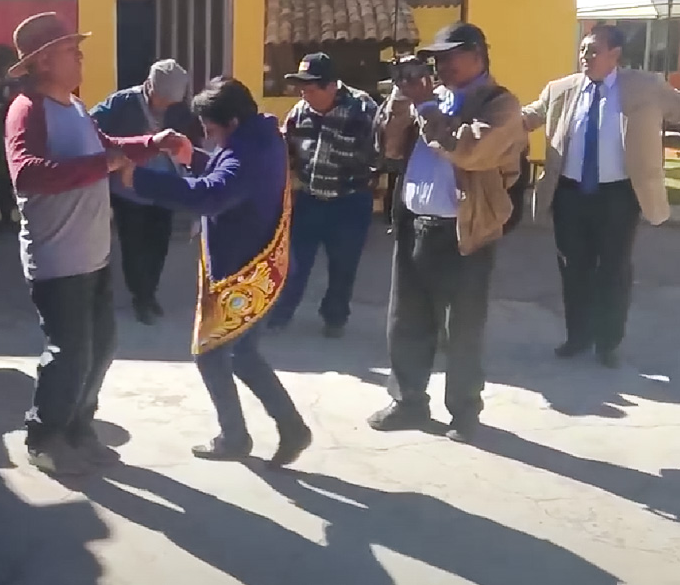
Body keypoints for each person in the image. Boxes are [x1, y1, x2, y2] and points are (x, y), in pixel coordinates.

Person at [4, 12, 190, 475]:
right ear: (44, 61)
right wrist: (103, 165)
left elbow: (108, 147)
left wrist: (156, 141)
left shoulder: (77, 108)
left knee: (101, 346)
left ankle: (78, 426)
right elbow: (26, 173)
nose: (81, 55)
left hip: (93, 252)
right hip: (57, 257)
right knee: (68, 352)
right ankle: (44, 435)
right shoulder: (28, 109)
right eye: (72, 49)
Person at [117, 77, 312, 464]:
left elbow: (212, 194)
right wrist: (192, 157)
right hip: (252, 263)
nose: (208, 136)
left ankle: (240, 436)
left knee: (212, 352)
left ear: (233, 121)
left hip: (244, 271)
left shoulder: (248, 152)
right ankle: (285, 428)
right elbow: (225, 175)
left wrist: (137, 178)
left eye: (210, 129)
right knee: (241, 354)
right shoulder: (259, 138)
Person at [367, 22, 525, 443]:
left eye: (451, 55)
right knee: (407, 320)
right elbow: (389, 146)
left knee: (463, 328)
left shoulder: (500, 103)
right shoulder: (428, 98)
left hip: (466, 230)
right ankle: (409, 401)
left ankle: (465, 412)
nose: (442, 64)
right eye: (437, 57)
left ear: (477, 55)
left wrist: (427, 107)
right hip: (416, 222)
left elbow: (470, 150)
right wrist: (403, 98)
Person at [523, 24, 680, 368]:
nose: (585, 56)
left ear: (615, 55)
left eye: (593, 50)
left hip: (618, 196)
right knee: (573, 268)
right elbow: (527, 117)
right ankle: (577, 337)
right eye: (582, 49)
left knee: (613, 269)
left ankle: (608, 342)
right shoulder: (561, 90)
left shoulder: (645, 86)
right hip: (570, 195)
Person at [267, 53, 379, 337]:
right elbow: (286, 152)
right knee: (294, 263)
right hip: (309, 199)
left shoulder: (363, 108)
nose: (305, 95)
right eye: (301, 89)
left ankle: (335, 319)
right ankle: (279, 316)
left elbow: (380, 154)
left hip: (350, 202)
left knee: (343, 266)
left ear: (331, 86)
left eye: (311, 88)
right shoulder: (299, 112)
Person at [91, 59, 197, 325]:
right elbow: (91, 129)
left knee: (159, 244)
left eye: (170, 102)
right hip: (129, 188)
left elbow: (193, 140)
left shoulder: (180, 110)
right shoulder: (122, 103)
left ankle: (150, 292)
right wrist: (120, 156)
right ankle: (142, 297)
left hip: (165, 186)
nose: (164, 105)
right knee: (134, 246)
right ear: (149, 85)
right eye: (161, 98)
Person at [0, 79, 20, 225]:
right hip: (4, 157)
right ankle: (6, 217)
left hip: (16, 157)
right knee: (3, 186)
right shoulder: (1, 113)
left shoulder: (24, 110)